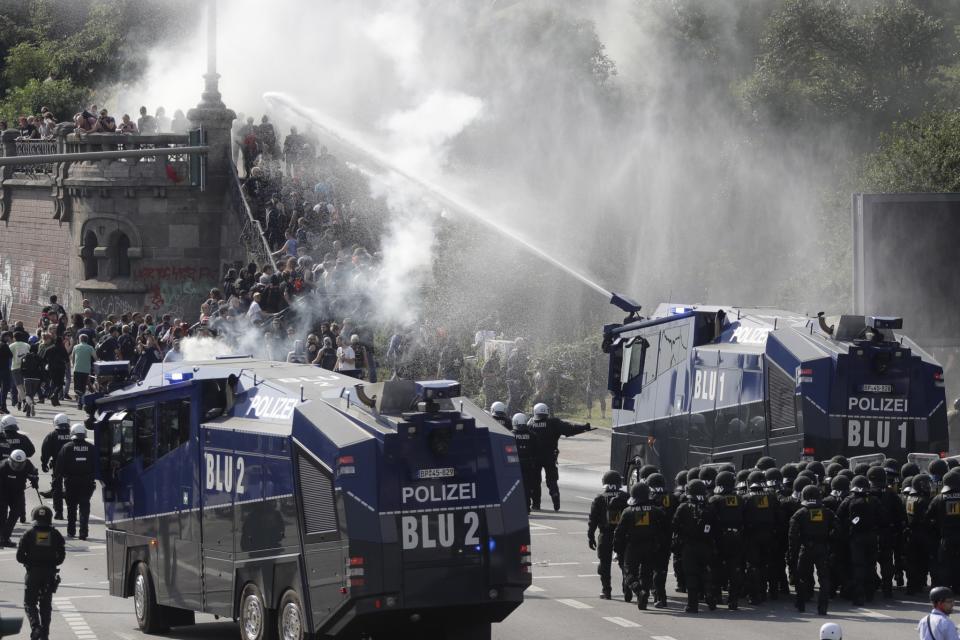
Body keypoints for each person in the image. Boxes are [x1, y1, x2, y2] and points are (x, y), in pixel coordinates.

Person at [526, 403, 593, 511]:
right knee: (552, 480)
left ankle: (536, 504)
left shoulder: (530, 423)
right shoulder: (553, 423)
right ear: (546, 412)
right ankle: (555, 494)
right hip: (550, 456)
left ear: (535, 412)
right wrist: (584, 427)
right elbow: (570, 429)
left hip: (534, 458)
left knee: (535, 481)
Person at [614, 482, 666, 609]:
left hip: (633, 547)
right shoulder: (656, 511)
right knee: (646, 574)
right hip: (651, 546)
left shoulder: (627, 512)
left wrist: (617, 550)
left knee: (629, 572)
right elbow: (665, 530)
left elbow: (619, 533)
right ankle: (645, 595)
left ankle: (638, 591)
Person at [17, 505, 65, 640]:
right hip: (49, 574)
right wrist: (51, 563)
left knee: (29, 603)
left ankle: (35, 627)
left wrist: (30, 562)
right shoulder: (55, 534)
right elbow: (61, 557)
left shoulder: (28, 534)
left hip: (33, 574)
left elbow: (19, 557)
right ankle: (45, 635)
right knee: (46, 606)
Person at [837, 475, 883, 605]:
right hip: (872, 537)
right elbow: (883, 518)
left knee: (858, 566)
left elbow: (838, 517)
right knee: (870, 565)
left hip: (856, 538)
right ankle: (870, 594)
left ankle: (858, 595)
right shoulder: (874, 500)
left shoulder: (848, 500)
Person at [789, 485, 835, 615]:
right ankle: (823, 607)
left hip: (806, 549)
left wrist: (793, 554)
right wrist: (829, 543)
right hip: (822, 548)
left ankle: (801, 604)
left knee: (801, 577)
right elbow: (837, 529)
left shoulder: (800, 513)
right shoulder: (827, 512)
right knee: (824, 578)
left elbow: (792, 536)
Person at [672, 478, 717, 613]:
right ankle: (709, 595)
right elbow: (716, 528)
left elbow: (674, 525)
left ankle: (693, 605)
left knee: (691, 574)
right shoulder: (709, 507)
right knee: (706, 571)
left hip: (689, 546)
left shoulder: (683, 507)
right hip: (706, 546)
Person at [589, 470, 630, 601]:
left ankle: (606, 590)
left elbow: (593, 519)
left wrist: (590, 536)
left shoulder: (599, 498)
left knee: (604, 564)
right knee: (625, 563)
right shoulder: (626, 497)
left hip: (605, 534)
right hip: (623, 535)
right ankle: (627, 589)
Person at [709, 470, 745, 610]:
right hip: (737, 537)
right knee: (734, 568)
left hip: (720, 538)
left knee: (716, 567)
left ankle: (717, 596)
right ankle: (733, 600)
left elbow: (709, 518)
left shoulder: (714, 500)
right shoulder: (740, 499)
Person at [55, 424, 96, 540]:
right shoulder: (91, 448)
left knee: (71, 508)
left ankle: (71, 531)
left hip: (71, 482)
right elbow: (97, 466)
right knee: (84, 507)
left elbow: (59, 467)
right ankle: (83, 533)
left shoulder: (67, 447)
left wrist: (57, 480)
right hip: (87, 482)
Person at [926, 470, 960, 592]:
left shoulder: (938, 498)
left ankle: (945, 589)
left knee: (945, 564)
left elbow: (928, 517)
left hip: (946, 537)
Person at [646, 472, 676, 608]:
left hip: (652, 538)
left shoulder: (648, 499)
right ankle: (660, 596)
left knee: (652, 568)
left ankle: (657, 595)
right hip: (668, 537)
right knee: (662, 568)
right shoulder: (673, 497)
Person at [0, 449, 39, 546]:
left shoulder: (27, 464)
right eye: (15, 463)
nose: (17, 466)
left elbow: (33, 473)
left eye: (20, 464)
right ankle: (1, 537)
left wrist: (34, 479)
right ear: (10, 460)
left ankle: (5, 537)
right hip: (3, 492)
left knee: (15, 514)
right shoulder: (2, 466)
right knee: (2, 515)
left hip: (17, 492)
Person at [40, 414, 72, 520]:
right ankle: (72, 512)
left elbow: (45, 450)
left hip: (58, 465)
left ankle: (59, 512)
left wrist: (44, 463)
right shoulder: (73, 434)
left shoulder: (52, 435)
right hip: (72, 465)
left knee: (57, 488)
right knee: (71, 488)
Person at [511, 413, 538, 513]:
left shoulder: (510, 434)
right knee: (527, 486)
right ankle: (527, 507)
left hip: (514, 465)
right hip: (528, 464)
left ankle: (515, 506)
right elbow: (536, 450)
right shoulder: (532, 435)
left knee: (514, 486)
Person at [70, 334, 94, 410]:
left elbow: (72, 358)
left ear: (80, 339)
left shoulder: (75, 347)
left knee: (77, 387)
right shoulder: (90, 347)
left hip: (77, 369)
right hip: (86, 370)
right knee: (83, 387)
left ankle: (79, 403)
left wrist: (74, 366)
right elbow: (95, 357)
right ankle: (81, 402)